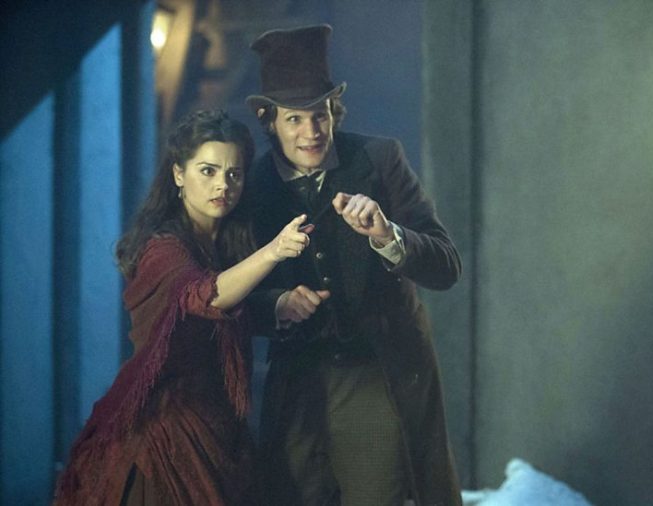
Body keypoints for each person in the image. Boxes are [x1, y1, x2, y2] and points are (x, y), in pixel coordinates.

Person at [244, 25, 463, 506]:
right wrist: (276, 304)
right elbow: (227, 297)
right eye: (295, 119)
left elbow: (446, 267)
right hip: (299, 379)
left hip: (375, 372)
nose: (312, 132)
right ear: (269, 121)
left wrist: (388, 235)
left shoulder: (379, 160)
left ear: (333, 112)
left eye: (319, 115)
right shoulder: (254, 186)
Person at [54, 110, 312, 505]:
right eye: (208, 171)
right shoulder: (162, 248)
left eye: (234, 174)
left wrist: (278, 305)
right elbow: (204, 297)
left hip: (220, 424)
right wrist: (273, 252)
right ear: (178, 174)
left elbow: (227, 314)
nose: (222, 185)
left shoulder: (226, 244)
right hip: (165, 430)